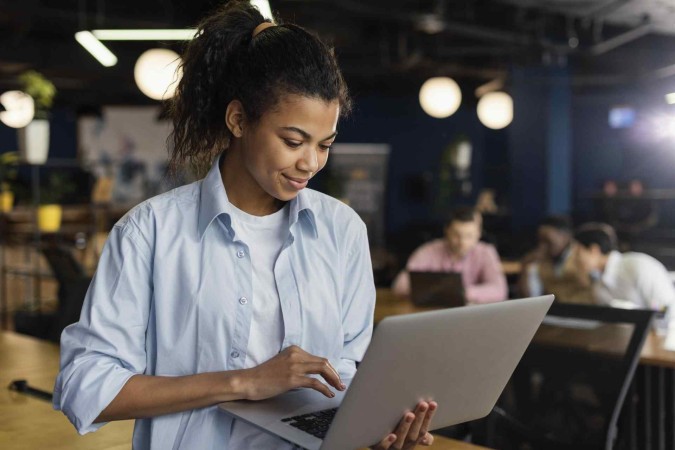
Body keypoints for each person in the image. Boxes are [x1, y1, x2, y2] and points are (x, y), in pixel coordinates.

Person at [53, 2, 436, 449]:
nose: (310, 162)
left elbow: (349, 373)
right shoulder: (150, 233)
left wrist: (379, 430)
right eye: (292, 141)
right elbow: (84, 386)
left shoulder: (342, 230)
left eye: (324, 145)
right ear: (238, 120)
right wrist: (244, 382)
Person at [392, 206, 507, 303]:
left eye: (469, 236)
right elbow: (400, 286)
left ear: (479, 234)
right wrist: (448, 291)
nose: (462, 242)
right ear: (446, 231)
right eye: (457, 235)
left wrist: (460, 292)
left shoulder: (486, 252)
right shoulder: (428, 251)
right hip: (434, 316)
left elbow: (499, 290)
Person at [574, 223, 675, 331]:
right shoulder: (598, 284)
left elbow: (664, 310)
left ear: (594, 250)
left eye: (578, 253)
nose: (575, 259)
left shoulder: (637, 266)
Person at [518, 215, 592, 303]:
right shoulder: (540, 261)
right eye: (540, 240)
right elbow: (531, 297)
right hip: (554, 312)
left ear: (565, 236)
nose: (543, 246)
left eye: (547, 240)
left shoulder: (584, 254)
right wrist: (526, 267)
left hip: (584, 311)